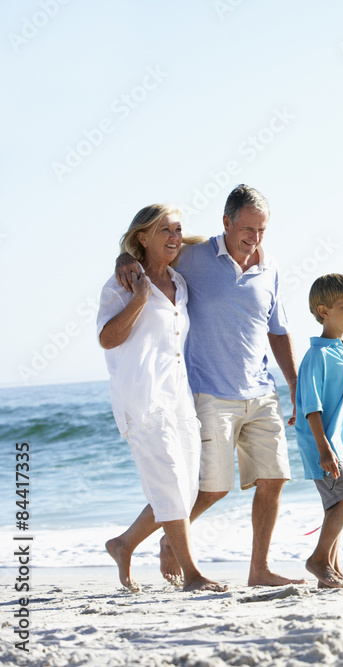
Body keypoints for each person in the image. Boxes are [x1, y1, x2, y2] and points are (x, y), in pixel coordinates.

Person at [116, 185, 303, 587]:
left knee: (274, 480)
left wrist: (293, 383)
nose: (254, 238)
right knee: (211, 489)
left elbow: (278, 329)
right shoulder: (194, 257)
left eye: (262, 230)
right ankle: (161, 539)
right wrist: (123, 257)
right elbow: (149, 252)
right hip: (210, 394)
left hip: (261, 391)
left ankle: (259, 569)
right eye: (247, 228)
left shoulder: (269, 267)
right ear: (226, 222)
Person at [98, 204, 226, 593]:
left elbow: (202, 246)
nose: (173, 237)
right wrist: (138, 296)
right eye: (164, 230)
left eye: (177, 229)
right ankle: (192, 574)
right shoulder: (119, 284)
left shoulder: (180, 282)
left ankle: (123, 545)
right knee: (169, 485)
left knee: (184, 490)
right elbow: (107, 338)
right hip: (141, 399)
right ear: (143, 237)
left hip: (178, 399)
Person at [294, 273, 343, 588]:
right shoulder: (316, 356)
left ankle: (331, 570)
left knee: (334, 508)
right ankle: (317, 561)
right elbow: (312, 408)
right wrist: (325, 449)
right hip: (320, 447)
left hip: (339, 445)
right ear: (324, 311)